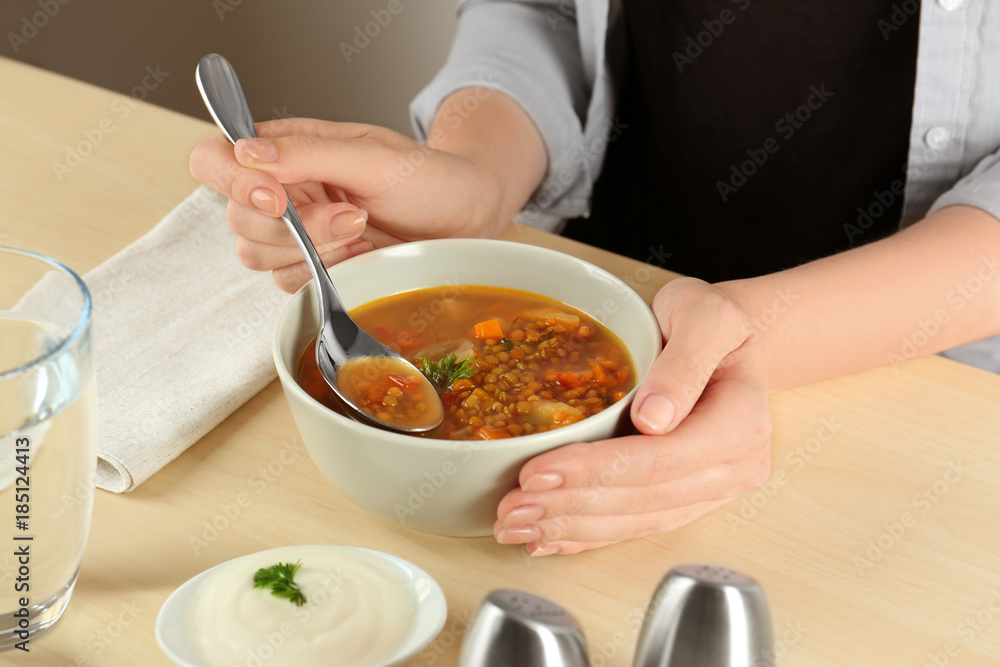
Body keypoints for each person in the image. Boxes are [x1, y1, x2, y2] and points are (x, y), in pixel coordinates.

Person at [190, 0, 1000, 557]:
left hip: (927, 378)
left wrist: (756, 330)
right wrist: (473, 177)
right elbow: (541, 9)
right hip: (604, 276)